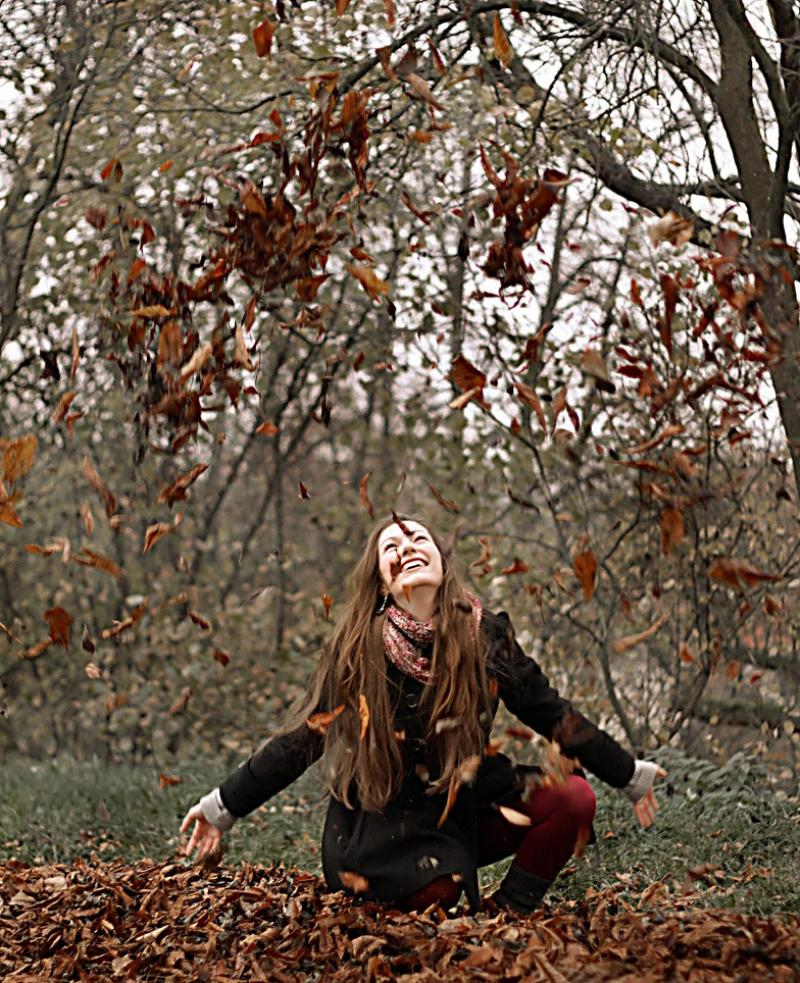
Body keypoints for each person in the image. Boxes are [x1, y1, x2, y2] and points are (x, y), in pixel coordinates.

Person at [181, 515, 665, 914]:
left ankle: (508, 915)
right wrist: (224, 806)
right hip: (384, 818)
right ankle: (418, 894)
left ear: (442, 561)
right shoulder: (358, 650)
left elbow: (553, 714)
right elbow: (302, 740)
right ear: (382, 581)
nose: (407, 547)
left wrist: (627, 773)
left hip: (461, 801)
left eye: (418, 539)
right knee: (438, 892)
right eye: (391, 546)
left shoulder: (487, 638)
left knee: (572, 800)